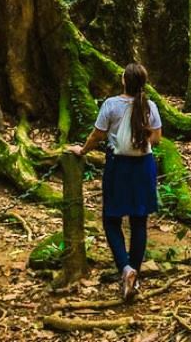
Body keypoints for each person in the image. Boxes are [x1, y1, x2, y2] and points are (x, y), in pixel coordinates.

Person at [67, 62, 162, 302]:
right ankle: (135, 274)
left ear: (124, 81)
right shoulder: (150, 106)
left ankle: (125, 268)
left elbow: (97, 135)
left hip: (119, 167)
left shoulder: (111, 105)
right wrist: (139, 138)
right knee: (139, 221)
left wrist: (83, 150)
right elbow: (157, 138)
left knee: (111, 219)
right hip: (143, 166)